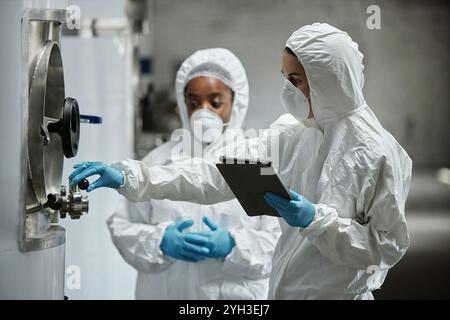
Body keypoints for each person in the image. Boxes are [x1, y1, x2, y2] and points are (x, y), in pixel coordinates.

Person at [70, 23, 412, 299]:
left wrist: (315, 220)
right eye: (284, 78)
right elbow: (215, 176)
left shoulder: (376, 153)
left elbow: (386, 248)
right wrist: (130, 177)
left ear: (327, 80)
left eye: (295, 81)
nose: (286, 91)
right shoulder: (292, 134)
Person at [104, 48, 280, 299]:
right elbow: (121, 225)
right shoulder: (158, 162)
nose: (203, 111)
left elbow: (280, 245)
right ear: (183, 104)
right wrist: (159, 241)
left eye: (215, 102)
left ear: (236, 102)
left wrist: (233, 245)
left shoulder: (255, 166)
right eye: (194, 102)